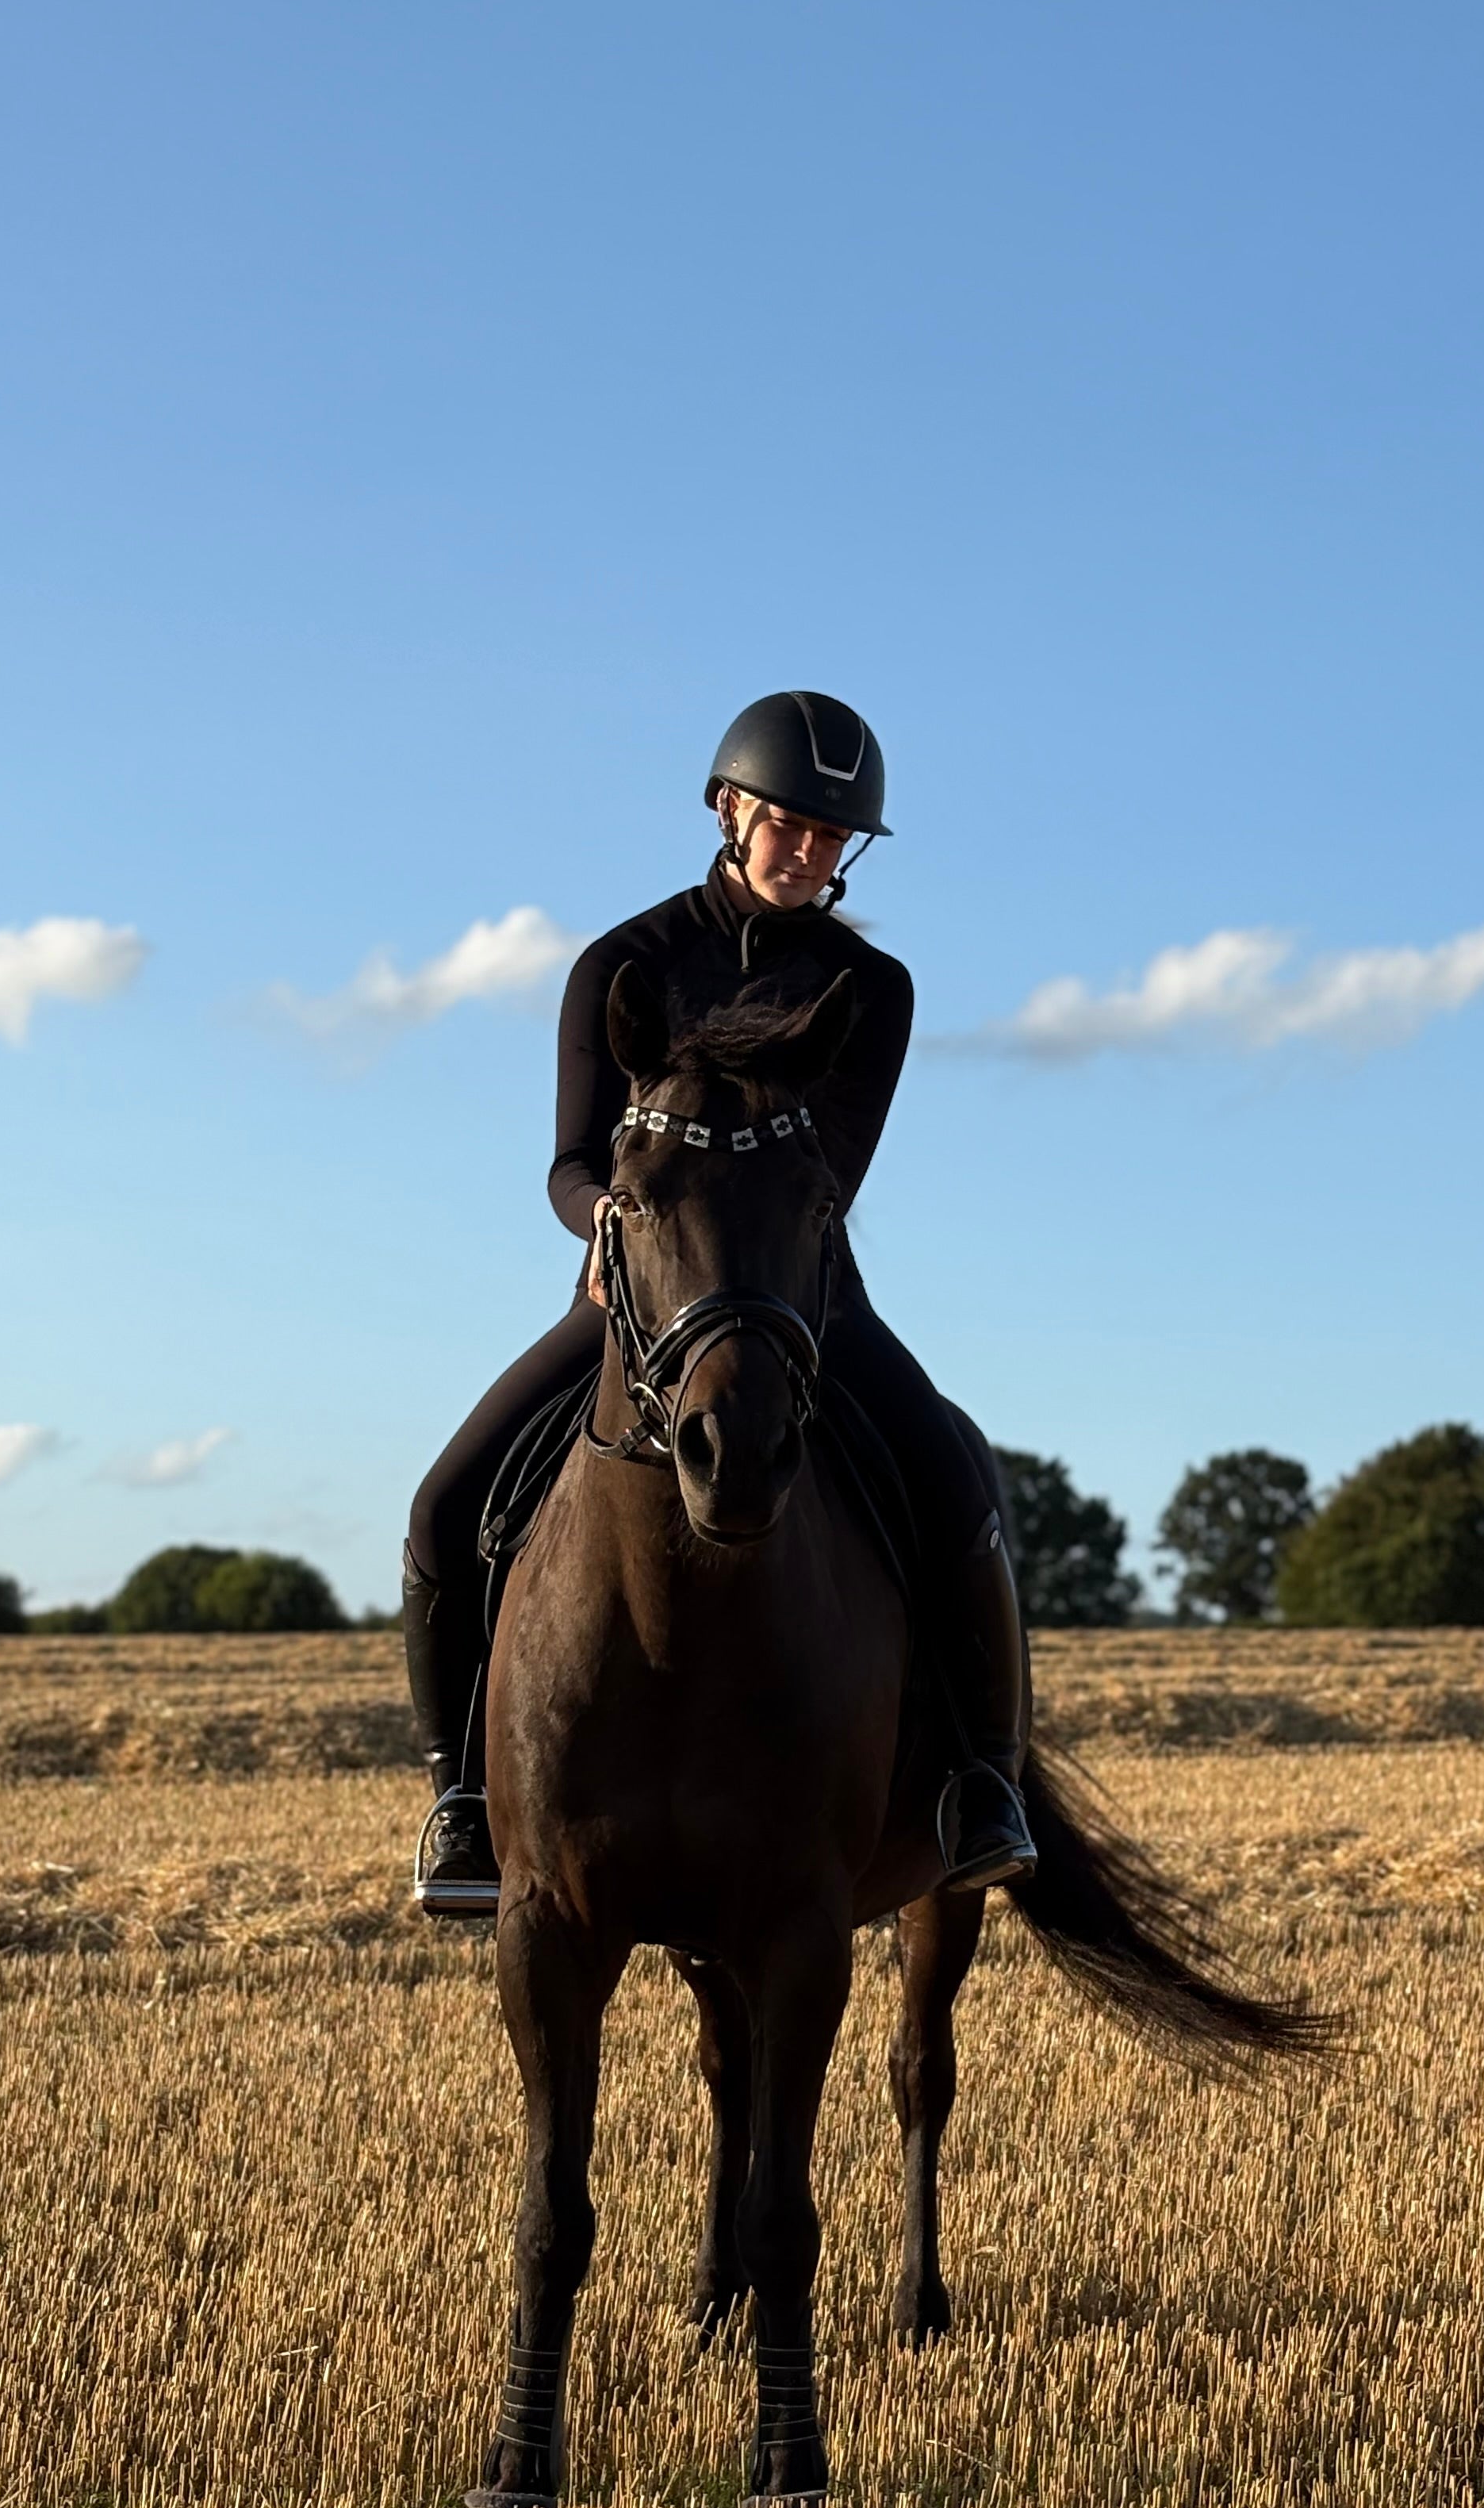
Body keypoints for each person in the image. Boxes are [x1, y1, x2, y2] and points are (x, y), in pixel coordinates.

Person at [401, 689, 1037, 1917]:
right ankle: (461, 1805)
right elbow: (569, 1162)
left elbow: (827, 1181)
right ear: (728, 806)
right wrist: (600, 1224)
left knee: (961, 1494)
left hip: (808, 1305)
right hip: (640, 1300)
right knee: (442, 1509)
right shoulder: (621, 965)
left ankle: (983, 1787)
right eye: (788, 823)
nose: (807, 852)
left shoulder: (873, 988)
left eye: (831, 836)